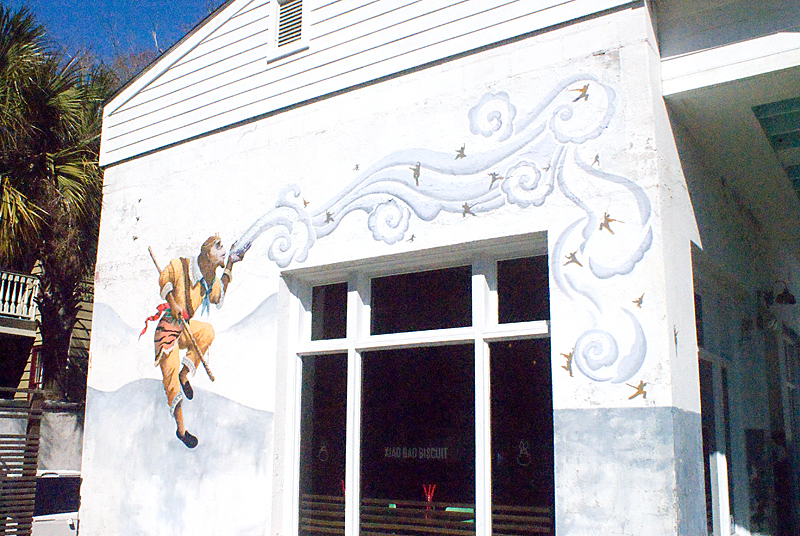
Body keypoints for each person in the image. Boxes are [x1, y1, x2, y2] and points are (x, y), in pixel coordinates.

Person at [148, 235, 246, 448]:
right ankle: (181, 429)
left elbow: (219, 296)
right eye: (218, 247)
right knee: (170, 377)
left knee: (207, 332)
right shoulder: (181, 266)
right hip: (167, 331)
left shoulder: (207, 280)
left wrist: (230, 264)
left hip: (184, 328)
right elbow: (164, 279)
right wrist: (172, 303)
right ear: (206, 253)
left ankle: (186, 374)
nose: (223, 250)